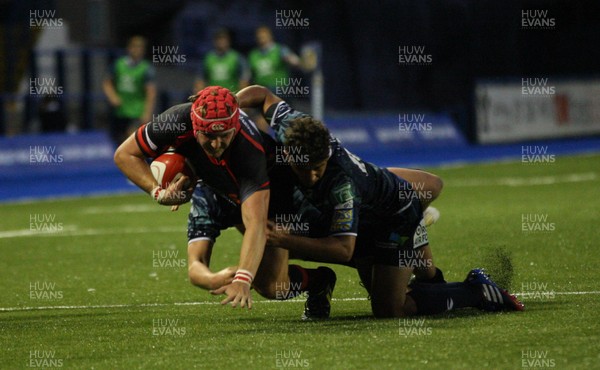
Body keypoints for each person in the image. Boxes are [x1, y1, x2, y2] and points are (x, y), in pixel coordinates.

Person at [235, 85, 524, 318]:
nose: (311, 176)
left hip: (393, 217)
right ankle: (426, 270)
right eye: (304, 169)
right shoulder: (295, 129)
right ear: (289, 154)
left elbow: (343, 249)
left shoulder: (342, 185)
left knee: (390, 308)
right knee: (416, 280)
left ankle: (476, 291)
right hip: (372, 209)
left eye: (319, 168)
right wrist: (232, 105)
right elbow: (262, 94)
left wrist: (284, 239)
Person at [114, 86, 270, 310]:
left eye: (224, 135)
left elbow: (257, 223)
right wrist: (157, 192)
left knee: (272, 284)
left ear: (234, 127)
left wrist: (243, 278)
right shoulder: (176, 120)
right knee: (259, 274)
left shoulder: (249, 151)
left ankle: (318, 279)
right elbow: (124, 154)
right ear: (195, 127)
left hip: (252, 195)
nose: (216, 144)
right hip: (211, 189)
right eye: (208, 136)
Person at [103, 35, 157, 145]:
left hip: (136, 110)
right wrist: (113, 97)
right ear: (129, 48)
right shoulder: (119, 64)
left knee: (132, 138)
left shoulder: (146, 68)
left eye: (140, 48)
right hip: (120, 110)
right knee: (119, 140)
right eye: (135, 47)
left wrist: (147, 113)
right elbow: (107, 82)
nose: (137, 50)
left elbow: (151, 92)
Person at [247, 26, 303, 92]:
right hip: (261, 90)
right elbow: (248, 74)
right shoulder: (253, 54)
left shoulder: (280, 50)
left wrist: (292, 60)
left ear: (270, 36)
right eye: (259, 37)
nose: (261, 39)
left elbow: (296, 62)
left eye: (264, 36)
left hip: (279, 89)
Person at [193, 28, 249, 93]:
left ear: (229, 41)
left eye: (224, 39)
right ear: (214, 41)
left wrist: (240, 97)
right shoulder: (208, 58)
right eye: (219, 39)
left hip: (231, 96)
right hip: (212, 97)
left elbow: (244, 79)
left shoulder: (236, 57)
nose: (221, 42)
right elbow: (200, 79)